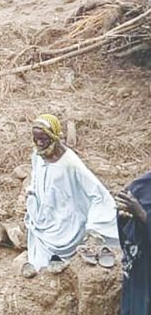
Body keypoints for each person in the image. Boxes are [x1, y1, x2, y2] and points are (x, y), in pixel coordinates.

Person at [23, 114, 118, 275]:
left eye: (44, 139)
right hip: (44, 216)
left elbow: (97, 193)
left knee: (62, 247)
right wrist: (32, 193)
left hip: (67, 221)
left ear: (54, 137)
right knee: (39, 262)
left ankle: (61, 259)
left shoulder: (70, 162)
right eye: (36, 139)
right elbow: (36, 176)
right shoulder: (38, 155)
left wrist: (94, 226)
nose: (39, 143)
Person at [116, 172, 151, 314]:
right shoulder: (141, 186)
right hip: (141, 269)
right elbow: (124, 226)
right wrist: (125, 212)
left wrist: (141, 213)